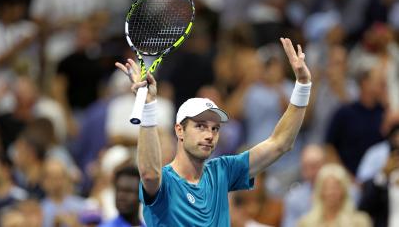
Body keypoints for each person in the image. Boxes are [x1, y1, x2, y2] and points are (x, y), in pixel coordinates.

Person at [114, 37, 312, 226]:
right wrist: (148, 107)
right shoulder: (164, 181)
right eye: (200, 126)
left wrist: (302, 85)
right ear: (179, 130)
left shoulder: (222, 171)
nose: (209, 135)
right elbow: (149, 174)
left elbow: (280, 143)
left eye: (215, 128)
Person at [298, 164, 372, 227]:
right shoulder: (306, 223)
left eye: (336, 187)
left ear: (344, 190)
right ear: (320, 191)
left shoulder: (360, 221)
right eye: (327, 187)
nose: (331, 192)